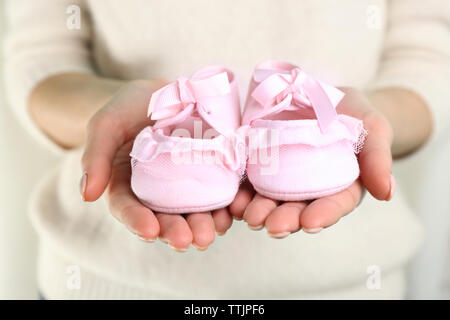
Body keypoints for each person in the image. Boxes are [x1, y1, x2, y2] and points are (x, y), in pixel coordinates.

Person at [4, 0, 449, 299]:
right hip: (98, 283)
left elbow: (427, 53)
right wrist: (106, 115)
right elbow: (44, 49)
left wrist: (379, 123)